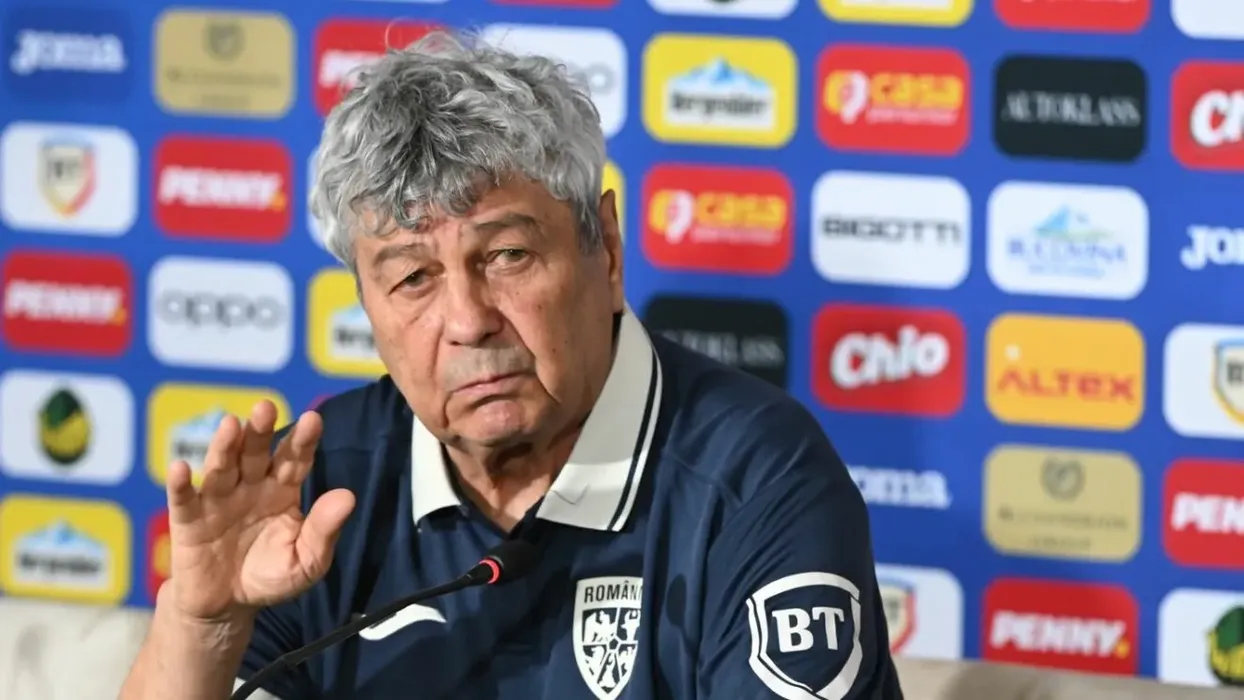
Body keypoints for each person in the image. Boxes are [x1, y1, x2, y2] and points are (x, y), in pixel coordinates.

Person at [119, 29, 904, 700]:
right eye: (413, 278)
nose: (468, 322)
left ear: (606, 250)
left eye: (507, 256)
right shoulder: (322, 490)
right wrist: (203, 622)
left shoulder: (755, 479)